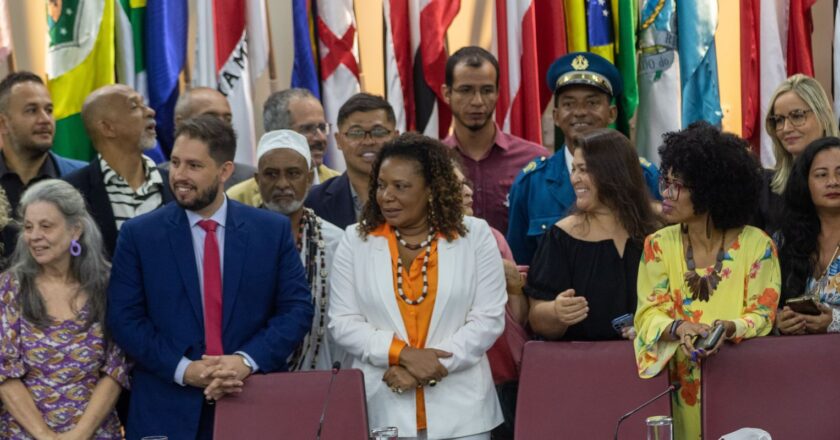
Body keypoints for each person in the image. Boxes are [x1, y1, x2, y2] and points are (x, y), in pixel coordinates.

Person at [107, 115, 313, 439]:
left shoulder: (270, 231)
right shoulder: (139, 236)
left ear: (225, 171)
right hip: (167, 411)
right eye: (175, 163)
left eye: (194, 166)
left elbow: (296, 309)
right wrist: (185, 369)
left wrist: (245, 361)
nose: (179, 176)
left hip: (254, 404)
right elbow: (124, 319)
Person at [329, 133, 506, 439]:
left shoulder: (475, 236)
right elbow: (343, 322)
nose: (386, 196)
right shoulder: (355, 240)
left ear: (431, 190)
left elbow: (487, 320)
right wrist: (403, 354)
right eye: (382, 185)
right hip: (383, 408)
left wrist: (424, 368)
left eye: (401, 186)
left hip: (463, 416)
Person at [634, 122, 780, 440]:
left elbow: (763, 315)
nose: (666, 195)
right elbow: (647, 314)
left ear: (710, 190)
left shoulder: (757, 245)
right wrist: (679, 328)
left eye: (678, 186)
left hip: (740, 383)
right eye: (665, 182)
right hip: (677, 391)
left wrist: (727, 328)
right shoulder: (657, 245)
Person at [0, 179, 128, 438]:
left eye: (46, 226)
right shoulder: (10, 287)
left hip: (96, 432)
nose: (34, 236)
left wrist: (80, 434)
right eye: (28, 227)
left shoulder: (109, 285)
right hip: (25, 433)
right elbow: (4, 372)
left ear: (75, 230)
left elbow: (116, 368)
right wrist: (45, 436)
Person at [507, 52, 660, 265]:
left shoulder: (644, 176)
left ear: (612, 114)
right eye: (569, 104)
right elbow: (520, 268)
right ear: (556, 116)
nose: (580, 112)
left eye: (592, 103)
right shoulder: (531, 184)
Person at [527, 129, 660, 341]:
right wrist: (556, 311)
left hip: (650, 365)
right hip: (583, 366)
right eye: (573, 169)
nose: (574, 179)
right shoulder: (561, 237)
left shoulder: (655, 233)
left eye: (583, 170)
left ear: (613, 172)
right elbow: (536, 316)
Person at [253, 129, 346, 370]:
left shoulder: (336, 241)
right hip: (252, 377)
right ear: (257, 180)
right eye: (271, 174)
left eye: (293, 174)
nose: (282, 184)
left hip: (322, 376)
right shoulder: (236, 238)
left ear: (308, 178)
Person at [441, 46, 548, 235]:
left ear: (498, 92)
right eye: (466, 90)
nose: (477, 101)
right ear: (447, 93)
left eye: (487, 90)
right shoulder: (433, 160)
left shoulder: (534, 160)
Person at [65, 84, 174, 257]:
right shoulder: (71, 192)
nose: (150, 112)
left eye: (144, 104)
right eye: (134, 106)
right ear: (107, 128)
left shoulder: (175, 184)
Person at [0, 72, 85, 261]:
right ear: (3, 123)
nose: (45, 119)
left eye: (49, 110)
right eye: (32, 110)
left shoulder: (82, 178)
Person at [227, 88, 341, 206]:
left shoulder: (341, 186)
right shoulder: (238, 199)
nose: (321, 138)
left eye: (322, 128)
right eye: (307, 129)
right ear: (277, 134)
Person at [757, 74, 839, 234]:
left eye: (797, 116)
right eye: (779, 120)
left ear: (823, 117)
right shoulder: (764, 187)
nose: (786, 128)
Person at [305, 93, 399, 229]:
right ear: (338, 140)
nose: (368, 141)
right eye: (356, 133)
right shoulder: (313, 202)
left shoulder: (418, 197)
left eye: (378, 132)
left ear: (395, 137)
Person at [777, 136, 840, 334]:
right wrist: (779, 322)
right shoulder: (783, 240)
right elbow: (762, 307)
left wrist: (834, 321)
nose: (833, 182)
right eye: (821, 175)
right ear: (805, 183)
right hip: (797, 358)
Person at [165, 87, 256, 189]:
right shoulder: (157, 179)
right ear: (180, 122)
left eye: (227, 119)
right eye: (211, 117)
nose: (222, 125)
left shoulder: (250, 179)